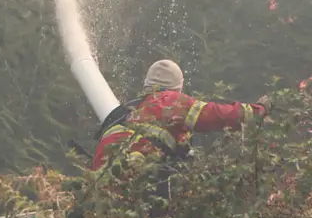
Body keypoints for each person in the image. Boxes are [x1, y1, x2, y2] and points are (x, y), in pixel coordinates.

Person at [91, 59, 271, 171]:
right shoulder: (173, 102)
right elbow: (220, 115)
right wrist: (259, 109)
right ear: (179, 86)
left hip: (100, 171)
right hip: (134, 168)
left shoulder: (126, 109)